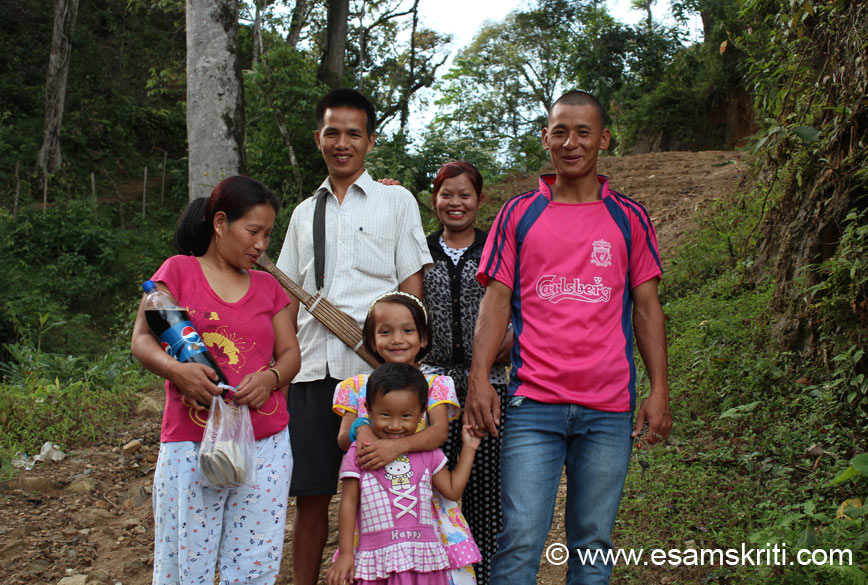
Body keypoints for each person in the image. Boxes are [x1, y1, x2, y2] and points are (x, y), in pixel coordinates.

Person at [466, 90, 672, 585]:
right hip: (532, 404)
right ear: (545, 138)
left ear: (603, 139)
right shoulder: (518, 214)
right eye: (560, 130)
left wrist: (659, 388)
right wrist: (479, 380)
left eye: (583, 131)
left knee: (593, 541)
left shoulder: (629, 217)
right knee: (518, 540)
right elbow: (494, 303)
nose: (571, 142)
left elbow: (646, 308)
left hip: (607, 408)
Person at [276, 87, 432, 585]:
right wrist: (283, 362)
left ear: (369, 140)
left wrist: (407, 368)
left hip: (374, 380)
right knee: (312, 495)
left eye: (353, 133)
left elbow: (412, 289)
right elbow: (285, 293)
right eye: (332, 132)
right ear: (318, 137)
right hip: (311, 371)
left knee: (379, 491)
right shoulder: (303, 213)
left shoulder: (396, 201)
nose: (342, 143)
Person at [130, 175, 301, 585]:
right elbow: (141, 339)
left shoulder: (267, 286)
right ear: (220, 223)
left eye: (268, 234)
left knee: (256, 561)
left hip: (265, 442)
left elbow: (291, 354)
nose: (261, 244)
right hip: (193, 439)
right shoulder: (179, 271)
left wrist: (271, 377)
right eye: (253, 231)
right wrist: (177, 370)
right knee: (187, 559)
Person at [333, 292, 481, 584]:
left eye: (408, 330)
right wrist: (362, 426)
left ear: (423, 338)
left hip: (427, 509)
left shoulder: (436, 385)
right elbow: (342, 438)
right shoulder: (356, 386)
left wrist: (393, 447)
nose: (397, 339)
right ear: (373, 341)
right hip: (376, 513)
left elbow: (438, 432)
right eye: (385, 332)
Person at [420, 161, 511, 585]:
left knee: (487, 494)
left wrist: (500, 350)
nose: (456, 203)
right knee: (435, 492)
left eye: (465, 195)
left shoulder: (497, 248)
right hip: (433, 389)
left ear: (479, 199)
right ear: (434, 198)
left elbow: (515, 310)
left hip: (490, 387)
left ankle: (489, 575)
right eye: (446, 195)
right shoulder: (420, 251)